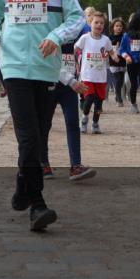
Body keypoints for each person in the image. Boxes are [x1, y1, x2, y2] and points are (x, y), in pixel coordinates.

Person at [0, 0, 85, 232]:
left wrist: (55, 37)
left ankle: (22, 184)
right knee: (27, 135)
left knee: (38, 136)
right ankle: (37, 203)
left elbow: (77, 18)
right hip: (13, 66)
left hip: (46, 67)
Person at [39, 40, 96, 181]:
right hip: (50, 83)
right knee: (44, 125)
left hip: (69, 87)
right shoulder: (50, 34)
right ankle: (43, 163)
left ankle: (76, 166)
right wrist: (71, 80)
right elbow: (50, 64)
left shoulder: (74, 31)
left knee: (72, 123)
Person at [75, 11, 119, 134]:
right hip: (87, 76)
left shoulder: (106, 40)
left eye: (101, 23)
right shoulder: (85, 38)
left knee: (99, 103)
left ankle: (95, 123)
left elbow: (111, 51)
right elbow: (75, 49)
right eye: (96, 22)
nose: (99, 25)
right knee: (89, 99)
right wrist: (76, 64)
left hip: (101, 77)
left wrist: (114, 56)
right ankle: (84, 119)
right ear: (90, 23)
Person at [120, 20, 140, 114]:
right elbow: (121, 49)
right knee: (133, 84)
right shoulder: (126, 35)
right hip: (131, 62)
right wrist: (126, 56)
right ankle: (133, 104)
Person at [107, 17, 126, 108]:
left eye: (120, 26)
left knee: (121, 81)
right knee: (118, 80)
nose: (119, 27)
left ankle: (117, 96)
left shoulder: (124, 36)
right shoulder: (109, 37)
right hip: (113, 61)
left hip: (122, 60)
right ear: (113, 27)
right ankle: (119, 99)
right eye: (117, 26)